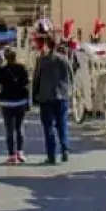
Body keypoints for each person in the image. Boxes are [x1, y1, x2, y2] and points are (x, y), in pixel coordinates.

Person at [31, 36, 73, 165]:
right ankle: (65, 149)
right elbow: (71, 76)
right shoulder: (64, 59)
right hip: (62, 96)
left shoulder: (41, 60)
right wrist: (69, 91)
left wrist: (34, 97)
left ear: (47, 45)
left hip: (46, 97)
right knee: (62, 124)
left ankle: (51, 155)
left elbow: (36, 79)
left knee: (48, 127)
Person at [0, 47, 31, 164]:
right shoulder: (22, 68)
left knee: (9, 129)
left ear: (6, 58)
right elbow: (27, 85)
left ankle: (11, 155)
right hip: (20, 101)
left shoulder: (1, 70)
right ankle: (20, 152)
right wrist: (28, 101)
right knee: (19, 128)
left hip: (6, 102)